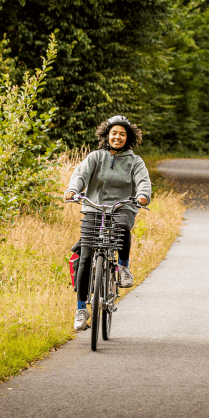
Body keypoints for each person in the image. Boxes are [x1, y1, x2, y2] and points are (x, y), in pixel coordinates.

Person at [65, 115, 152, 331]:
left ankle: (123, 267)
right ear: (107, 135)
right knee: (85, 256)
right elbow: (80, 175)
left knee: (122, 227)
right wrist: (73, 189)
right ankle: (81, 309)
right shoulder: (96, 157)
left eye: (122, 134)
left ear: (128, 137)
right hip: (94, 207)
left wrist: (142, 195)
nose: (118, 137)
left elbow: (143, 182)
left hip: (122, 207)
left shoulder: (135, 161)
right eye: (114, 133)